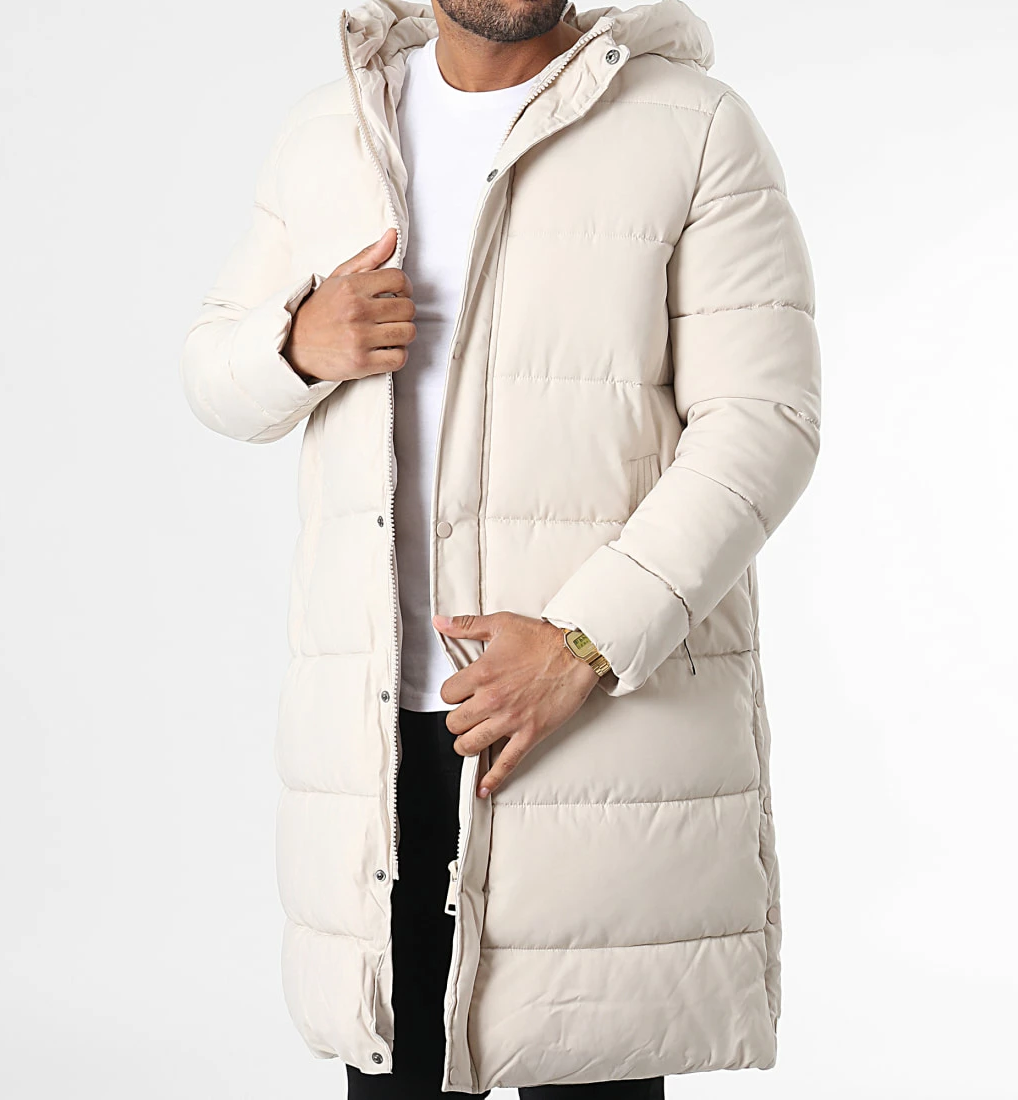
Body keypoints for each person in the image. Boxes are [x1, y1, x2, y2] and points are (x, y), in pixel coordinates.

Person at [179, 0, 821, 1095]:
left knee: (594, 1073)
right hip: (379, 739)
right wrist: (294, 342)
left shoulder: (694, 125)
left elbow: (763, 425)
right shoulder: (331, 130)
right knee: (397, 1074)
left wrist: (581, 643)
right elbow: (212, 373)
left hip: (594, 715)